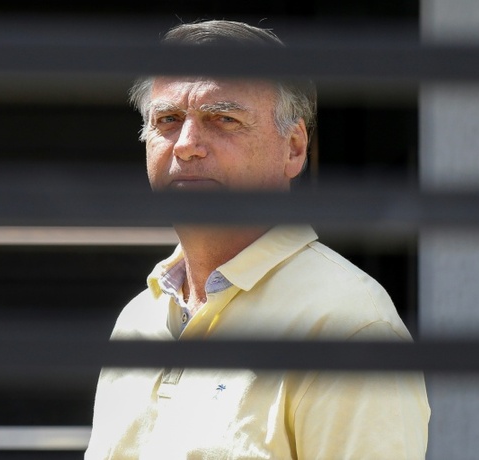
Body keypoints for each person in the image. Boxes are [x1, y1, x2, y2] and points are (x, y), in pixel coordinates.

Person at [85, 19, 430, 459]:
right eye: (168, 120)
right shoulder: (139, 320)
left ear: (294, 148)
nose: (186, 144)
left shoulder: (348, 328)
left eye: (223, 119)